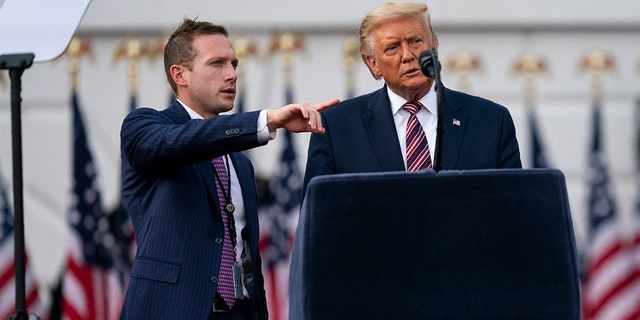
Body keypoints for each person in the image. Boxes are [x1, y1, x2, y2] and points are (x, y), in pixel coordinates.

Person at [118, 18, 338, 320]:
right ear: (180, 74)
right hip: (172, 309)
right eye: (217, 64)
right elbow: (181, 141)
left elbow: (246, 253)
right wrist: (266, 120)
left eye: (234, 64)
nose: (232, 75)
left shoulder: (238, 162)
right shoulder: (144, 126)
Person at [303, 1, 522, 195]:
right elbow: (316, 225)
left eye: (416, 42)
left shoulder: (491, 121)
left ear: (434, 49)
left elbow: (514, 213)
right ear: (373, 64)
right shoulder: (336, 128)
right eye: (392, 48)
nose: (407, 56)